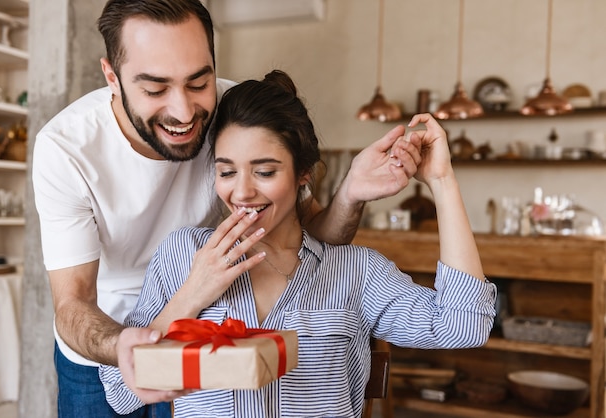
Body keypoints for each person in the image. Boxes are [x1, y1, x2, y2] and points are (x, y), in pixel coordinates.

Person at [31, 1, 423, 417]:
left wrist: (351, 194)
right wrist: (123, 344)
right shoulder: (66, 149)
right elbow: (72, 302)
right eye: (155, 89)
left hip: (198, 331)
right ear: (112, 76)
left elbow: (314, 238)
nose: (183, 113)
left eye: (199, 82)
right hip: (103, 346)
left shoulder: (235, 116)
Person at [99, 70, 497, 417]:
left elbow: (464, 326)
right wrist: (190, 296)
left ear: (304, 173)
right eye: (227, 172)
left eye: (266, 171)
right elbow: (119, 391)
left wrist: (442, 182)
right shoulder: (185, 254)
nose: (242, 192)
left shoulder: (355, 271)